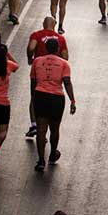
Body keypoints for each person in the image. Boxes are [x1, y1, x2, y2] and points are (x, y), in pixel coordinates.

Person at [30, 37, 76, 172]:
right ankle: (52, 154)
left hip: (40, 96)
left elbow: (33, 81)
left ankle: (41, 160)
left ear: (45, 49)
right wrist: (72, 101)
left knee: (41, 130)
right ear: (57, 49)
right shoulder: (64, 64)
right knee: (54, 129)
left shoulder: (37, 61)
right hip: (56, 98)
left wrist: (34, 98)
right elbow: (67, 82)